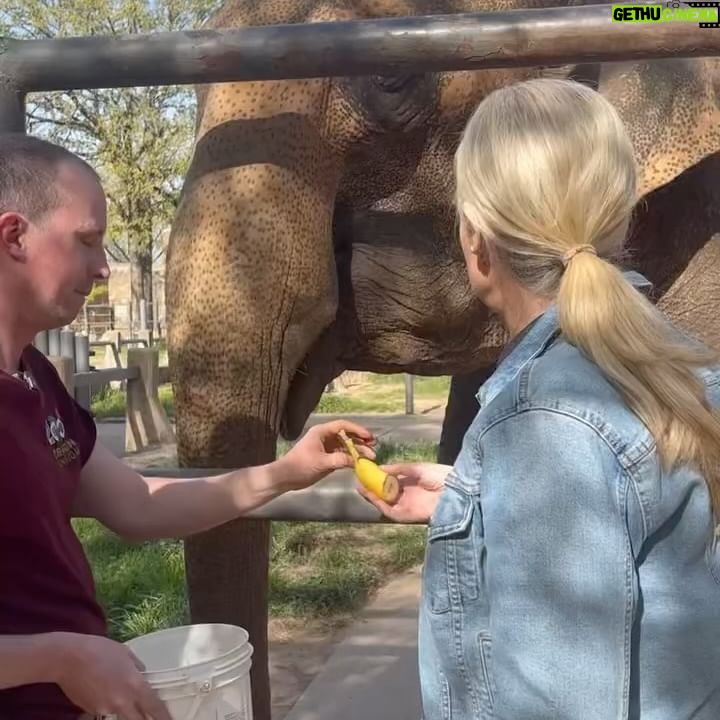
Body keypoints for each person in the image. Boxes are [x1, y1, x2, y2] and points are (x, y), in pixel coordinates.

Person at [361, 78, 720, 719]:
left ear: (476, 242)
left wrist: (527, 464)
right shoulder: (672, 362)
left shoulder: (544, 423)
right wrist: (475, 495)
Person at [0, 133, 376, 720]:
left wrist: (284, 473)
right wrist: (59, 659)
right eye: (87, 241)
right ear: (14, 235)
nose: (103, 267)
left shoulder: (36, 379)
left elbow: (140, 504)